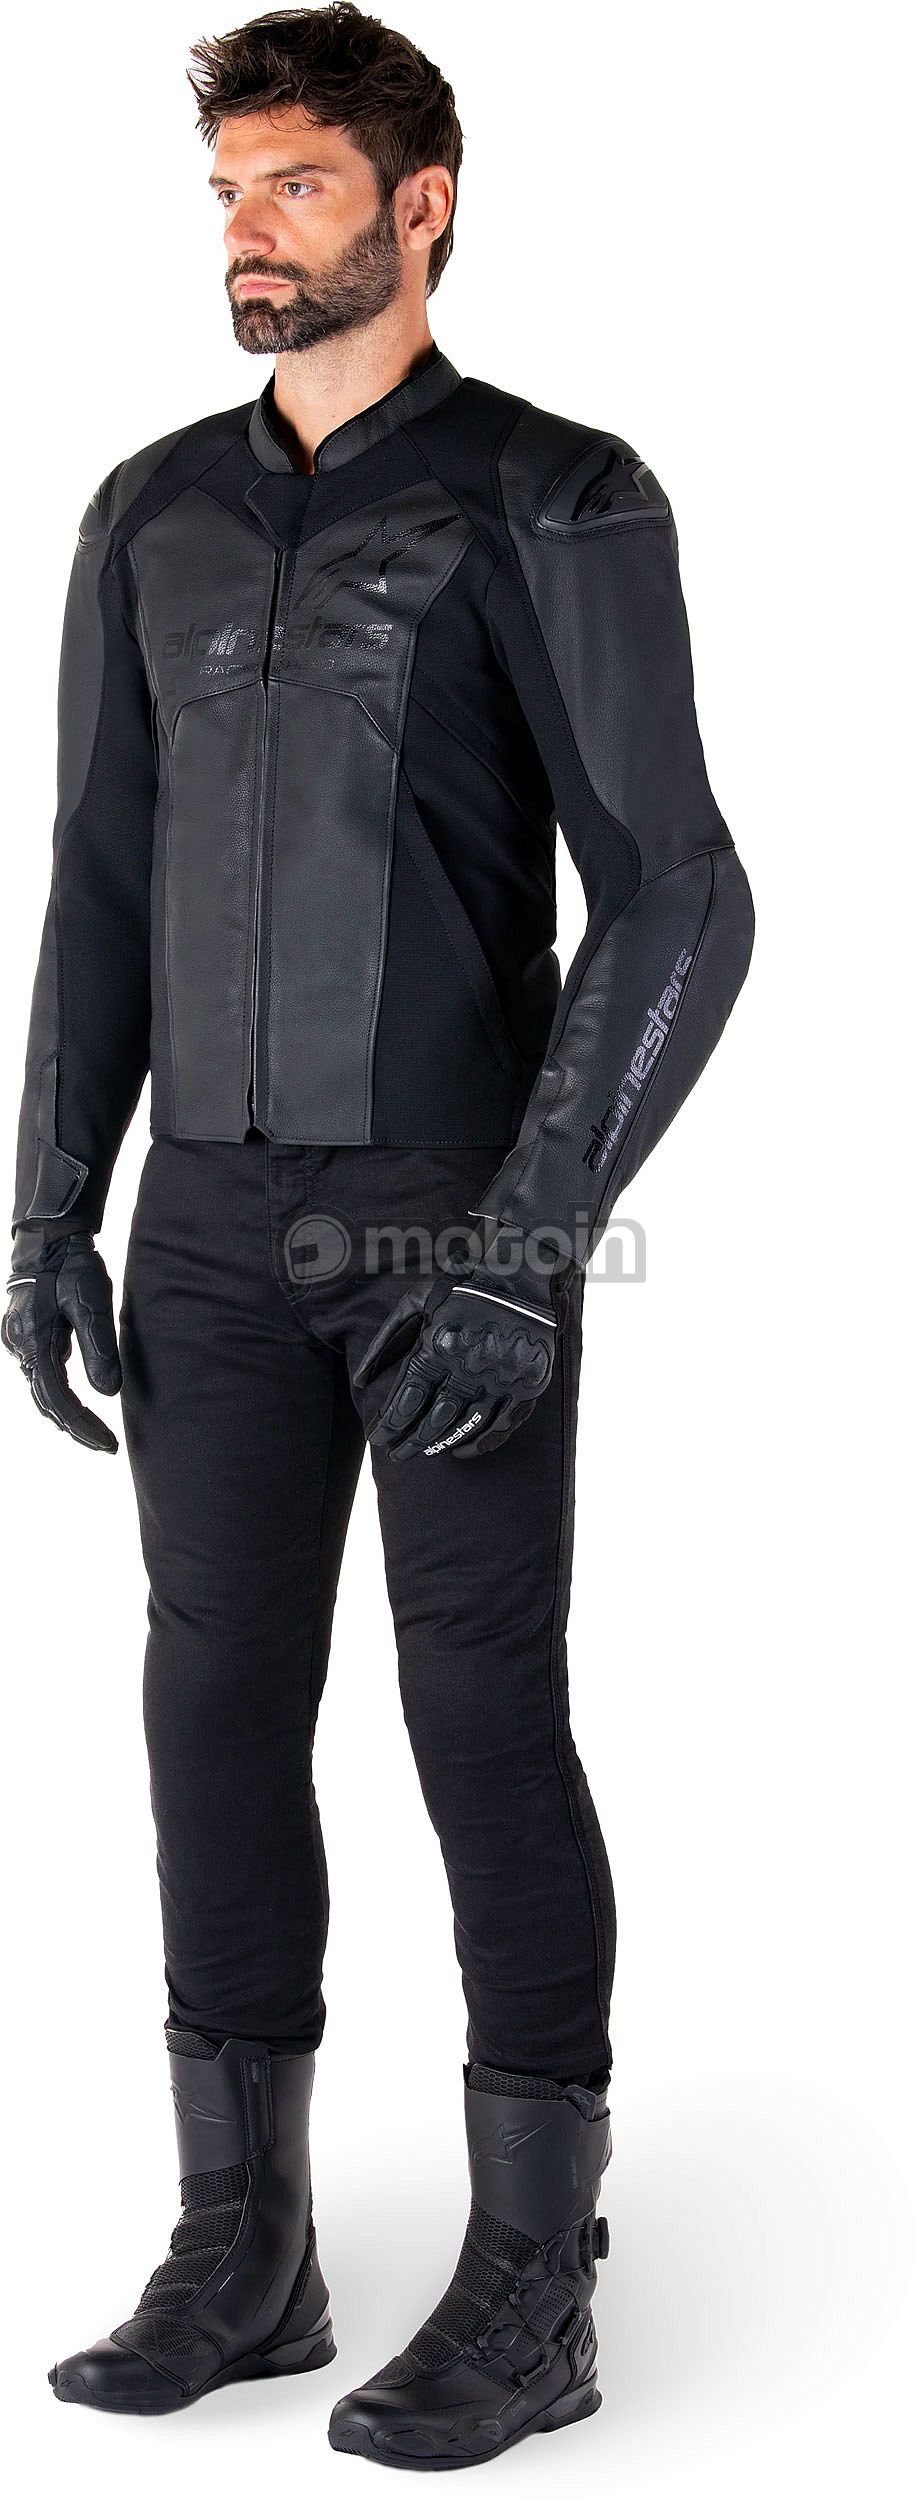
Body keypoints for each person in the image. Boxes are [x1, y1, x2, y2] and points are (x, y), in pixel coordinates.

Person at [2, 2, 754, 2466]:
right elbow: (97, 883)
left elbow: (683, 891)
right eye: (229, 189)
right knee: (208, 1701)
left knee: (476, 1709)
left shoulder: (557, 492)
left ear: (421, 204)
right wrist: (49, 1197)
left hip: (444, 1220)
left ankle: (538, 2279)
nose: (249, 229)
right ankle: (250, 2244)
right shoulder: (147, 511)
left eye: (297, 183)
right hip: (207, 1227)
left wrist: (534, 1241)